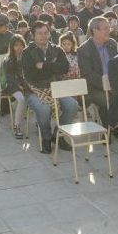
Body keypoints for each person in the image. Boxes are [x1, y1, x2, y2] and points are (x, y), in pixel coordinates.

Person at [21, 21, 78, 155]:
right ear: (33, 35)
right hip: (34, 89)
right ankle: (46, 137)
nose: (43, 36)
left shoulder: (57, 49)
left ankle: (59, 134)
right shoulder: (27, 52)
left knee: (72, 105)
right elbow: (32, 75)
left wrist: (44, 65)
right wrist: (52, 66)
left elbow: (64, 68)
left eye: (46, 33)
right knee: (43, 108)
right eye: (39, 33)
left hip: (55, 87)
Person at [77, 16, 118, 127]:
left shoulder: (112, 44)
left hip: (114, 85)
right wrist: (108, 86)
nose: (108, 30)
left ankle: (117, 126)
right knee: (107, 100)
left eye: (108, 28)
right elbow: (89, 75)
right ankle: (107, 129)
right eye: (105, 28)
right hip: (94, 88)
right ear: (95, 31)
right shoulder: (84, 49)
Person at [3, 34, 30, 139]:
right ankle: (17, 125)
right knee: (22, 100)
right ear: (12, 47)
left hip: (26, 84)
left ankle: (39, 121)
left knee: (38, 96)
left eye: (21, 45)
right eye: (16, 45)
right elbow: (10, 78)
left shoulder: (27, 58)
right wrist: (19, 85)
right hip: (13, 86)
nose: (19, 48)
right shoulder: (8, 60)